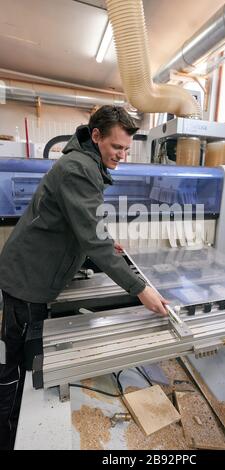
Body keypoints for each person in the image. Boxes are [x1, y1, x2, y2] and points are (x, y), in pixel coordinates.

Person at [0, 105, 168, 449]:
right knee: (15, 359)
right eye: (116, 148)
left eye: (126, 149)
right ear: (96, 136)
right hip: (27, 278)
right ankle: (7, 427)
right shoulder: (79, 168)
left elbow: (85, 223)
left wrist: (104, 239)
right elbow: (91, 237)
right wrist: (141, 289)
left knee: (21, 352)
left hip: (33, 269)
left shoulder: (87, 162)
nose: (122, 155)